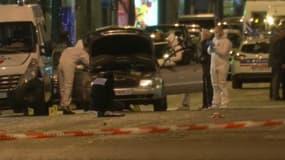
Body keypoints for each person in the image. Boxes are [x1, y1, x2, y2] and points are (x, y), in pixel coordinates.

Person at [58, 39, 89, 114]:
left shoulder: (69, 48)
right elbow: (89, 63)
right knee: (68, 85)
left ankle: (62, 104)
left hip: (60, 64)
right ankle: (66, 105)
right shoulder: (82, 52)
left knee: (62, 85)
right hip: (68, 66)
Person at [208, 26, 232, 109]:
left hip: (222, 65)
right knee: (214, 85)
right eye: (215, 32)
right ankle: (215, 103)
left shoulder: (227, 41)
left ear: (221, 31)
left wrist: (215, 49)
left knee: (222, 84)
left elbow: (224, 52)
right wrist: (210, 48)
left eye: (217, 32)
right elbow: (209, 52)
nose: (216, 33)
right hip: (213, 65)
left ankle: (224, 103)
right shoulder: (214, 40)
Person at [268, 24, 285, 100]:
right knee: (277, 79)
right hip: (278, 62)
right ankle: (275, 96)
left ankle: (273, 95)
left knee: (275, 79)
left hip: (275, 62)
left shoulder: (274, 39)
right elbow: (280, 52)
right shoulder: (279, 40)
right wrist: (282, 62)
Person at [199, 29, 213, 109]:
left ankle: (209, 103)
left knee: (208, 86)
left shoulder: (209, 43)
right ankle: (205, 104)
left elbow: (211, 54)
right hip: (205, 67)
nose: (201, 35)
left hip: (208, 67)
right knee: (205, 87)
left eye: (202, 34)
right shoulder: (203, 43)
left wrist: (203, 58)